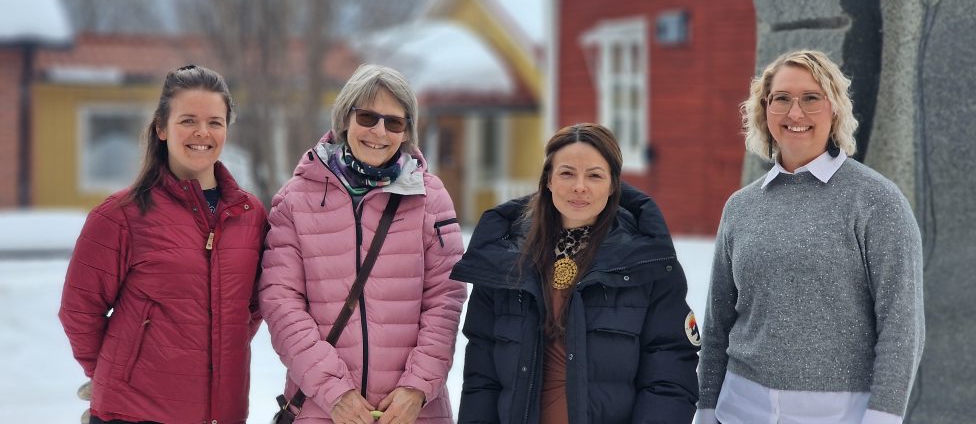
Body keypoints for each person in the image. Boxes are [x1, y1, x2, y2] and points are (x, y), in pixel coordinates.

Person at [696, 50, 925, 424]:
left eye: (811, 98)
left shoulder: (876, 201)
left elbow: (902, 325)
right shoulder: (741, 206)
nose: (795, 113)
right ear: (764, 110)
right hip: (736, 411)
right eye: (781, 99)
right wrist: (706, 407)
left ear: (834, 109)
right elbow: (717, 320)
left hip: (838, 416)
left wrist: (884, 417)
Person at [59, 64, 268, 424]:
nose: (202, 132)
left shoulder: (250, 215)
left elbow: (251, 307)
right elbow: (79, 310)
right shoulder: (120, 216)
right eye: (188, 120)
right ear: (161, 128)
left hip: (222, 413)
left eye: (215, 122)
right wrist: (116, 374)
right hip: (133, 413)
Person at [453, 123, 700, 424]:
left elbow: (670, 371)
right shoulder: (504, 258)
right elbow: (483, 374)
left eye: (594, 175)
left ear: (612, 186)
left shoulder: (646, 261)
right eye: (567, 173)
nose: (579, 186)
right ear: (547, 181)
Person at [260, 64, 466, 424]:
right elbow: (281, 303)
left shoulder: (430, 198)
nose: (379, 132)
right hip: (323, 410)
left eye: (394, 122)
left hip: (411, 413)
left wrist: (416, 388)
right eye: (367, 117)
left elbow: (445, 299)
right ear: (345, 118)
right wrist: (334, 392)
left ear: (407, 132)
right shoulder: (296, 198)